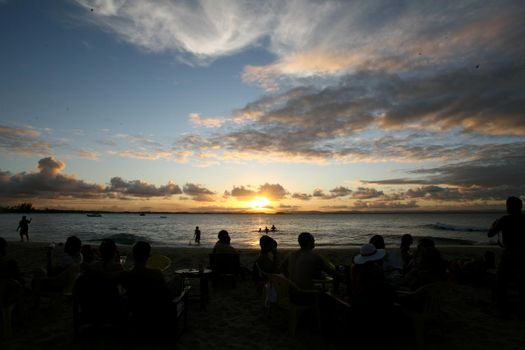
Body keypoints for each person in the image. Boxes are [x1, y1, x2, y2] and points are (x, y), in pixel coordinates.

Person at [122, 241, 182, 342]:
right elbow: (167, 295)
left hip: (138, 315)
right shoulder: (156, 273)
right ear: (148, 256)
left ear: (133, 255)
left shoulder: (126, 276)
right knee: (178, 279)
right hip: (158, 315)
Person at [488, 196, 525, 318]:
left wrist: (494, 225)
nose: (507, 208)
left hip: (509, 254)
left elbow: (490, 234)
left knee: (501, 281)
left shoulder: (505, 220)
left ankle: (503, 309)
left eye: (508, 206)